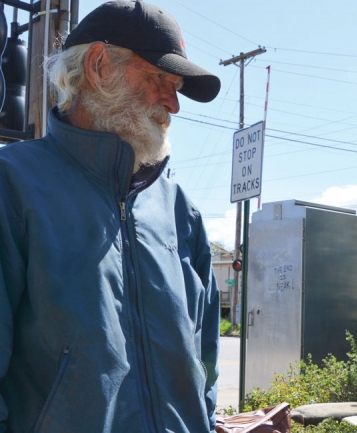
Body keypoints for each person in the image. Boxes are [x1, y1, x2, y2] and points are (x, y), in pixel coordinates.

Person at [0, 1, 222, 432]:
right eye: (161, 78)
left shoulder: (180, 210)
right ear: (99, 65)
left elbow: (205, 363)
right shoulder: (12, 184)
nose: (173, 105)